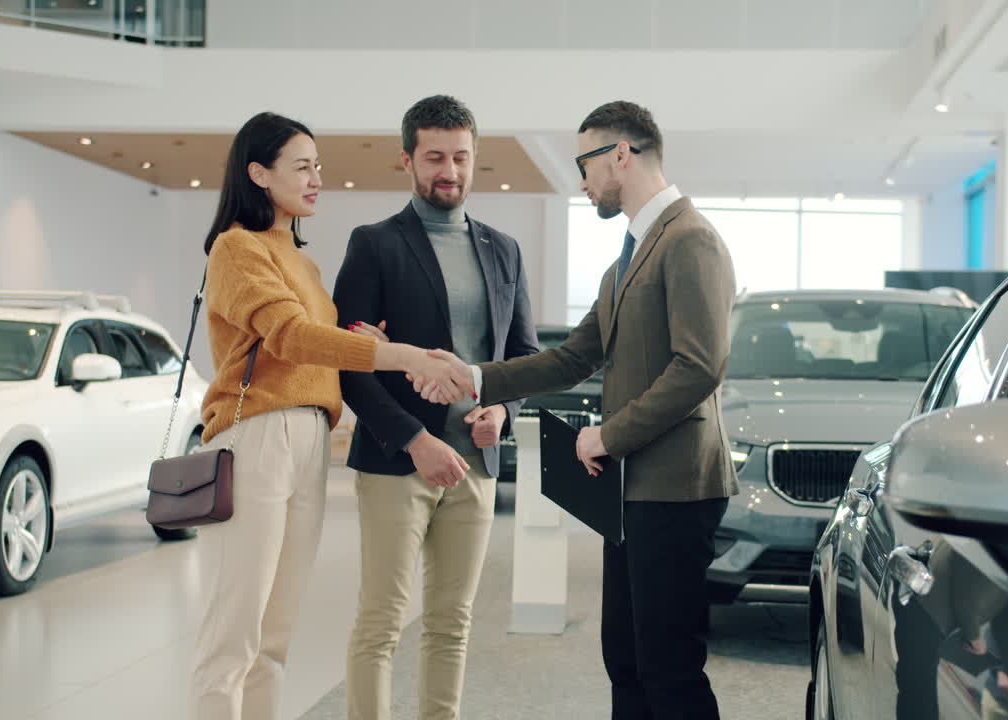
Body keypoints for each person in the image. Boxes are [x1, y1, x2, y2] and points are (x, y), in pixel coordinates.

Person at [418, 100, 738, 720]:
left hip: (676, 485)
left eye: (584, 163)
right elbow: (572, 358)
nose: (580, 181)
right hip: (633, 489)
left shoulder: (690, 240)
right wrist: (473, 376)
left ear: (623, 154)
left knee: (668, 667)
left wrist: (607, 437)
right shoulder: (628, 258)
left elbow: (699, 367)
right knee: (626, 657)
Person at [190, 111, 472, 720]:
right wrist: (399, 354)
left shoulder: (305, 264)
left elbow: (328, 342)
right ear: (258, 173)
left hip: (313, 435)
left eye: (319, 165)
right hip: (258, 435)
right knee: (233, 634)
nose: (317, 178)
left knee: (275, 636)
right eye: (302, 166)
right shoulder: (237, 248)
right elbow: (292, 338)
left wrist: (366, 339)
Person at [334, 95, 540, 720]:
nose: (448, 170)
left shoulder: (504, 249)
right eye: (434, 158)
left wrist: (500, 411)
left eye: (460, 157)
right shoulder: (373, 244)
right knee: (382, 622)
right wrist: (416, 440)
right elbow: (349, 363)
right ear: (407, 160)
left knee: (453, 622)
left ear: (476, 159)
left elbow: (523, 356)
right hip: (400, 461)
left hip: (475, 463)